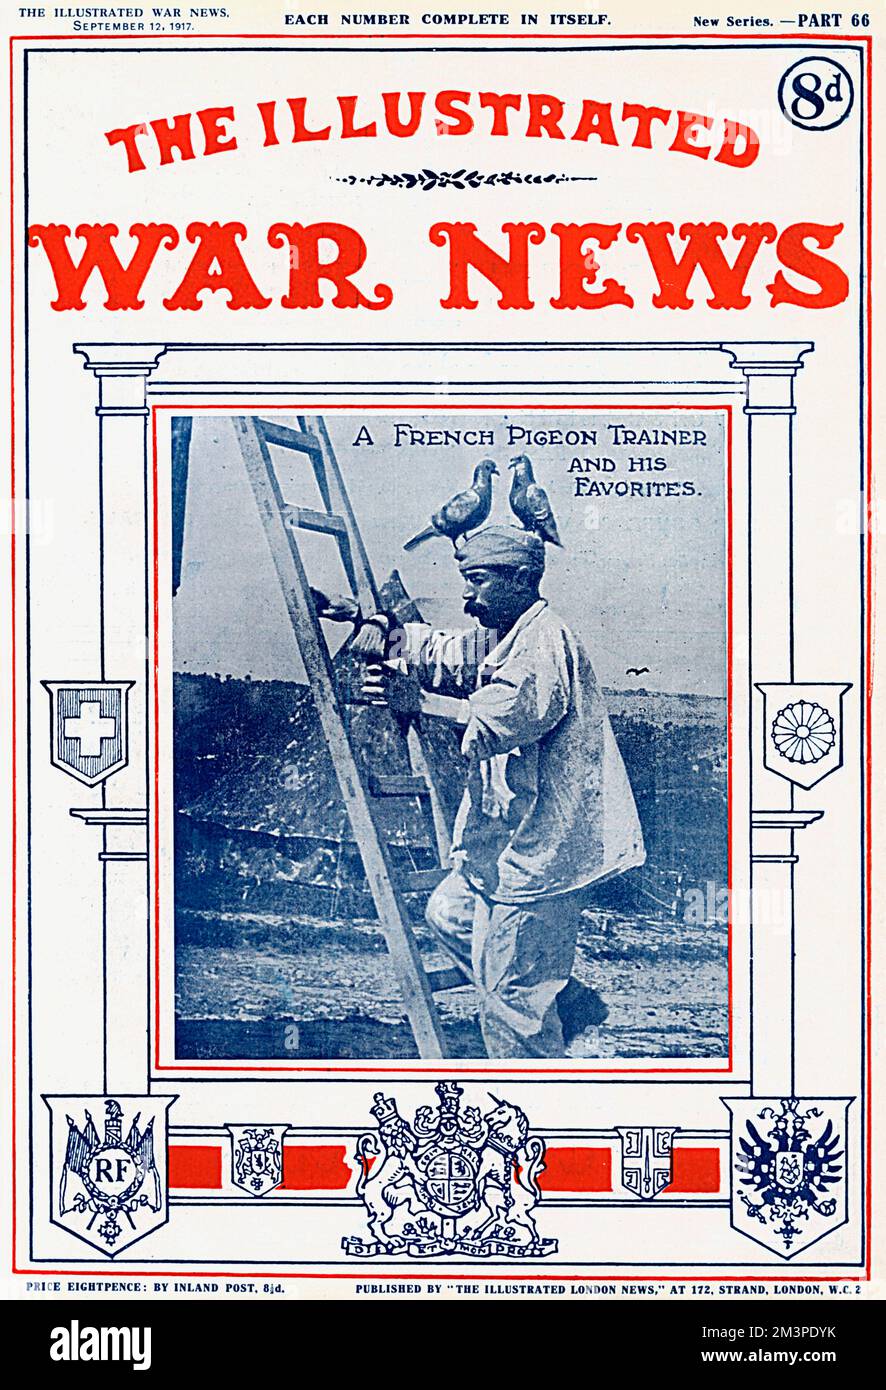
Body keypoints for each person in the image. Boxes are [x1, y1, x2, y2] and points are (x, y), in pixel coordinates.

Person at [321, 524, 645, 1058]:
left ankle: (531, 1086)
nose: (467, 597)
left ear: (520, 579)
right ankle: (542, 991)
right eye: (464, 581)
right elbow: (444, 650)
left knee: (511, 1006)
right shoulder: (505, 631)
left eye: (478, 582)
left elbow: (498, 719)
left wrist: (417, 702)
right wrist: (358, 617)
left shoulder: (544, 641)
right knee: (448, 911)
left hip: (546, 853)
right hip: (509, 845)